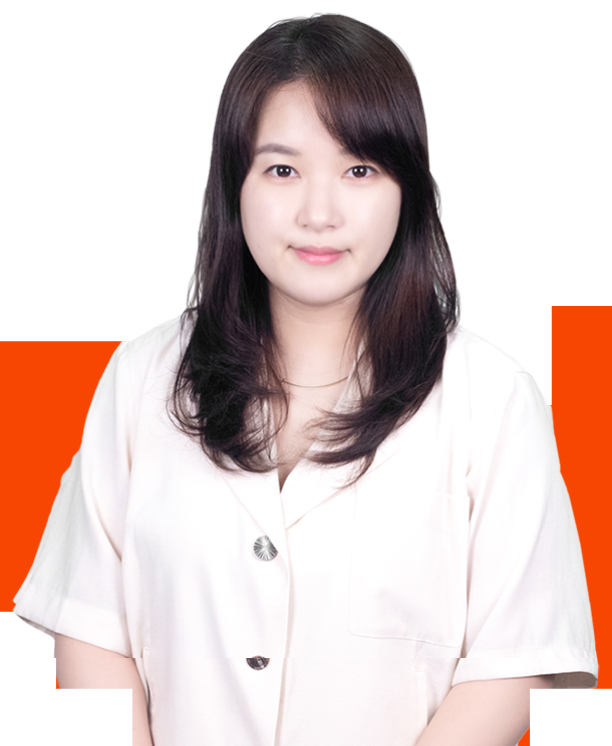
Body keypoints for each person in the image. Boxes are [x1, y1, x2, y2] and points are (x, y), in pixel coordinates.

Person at [12, 12, 597, 746]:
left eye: (360, 170)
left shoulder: (495, 397)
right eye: (282, 170)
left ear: (408, 188)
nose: (320, 214)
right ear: (235, 183)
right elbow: (89, 629)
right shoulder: (142, 378)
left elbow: (515, 666)